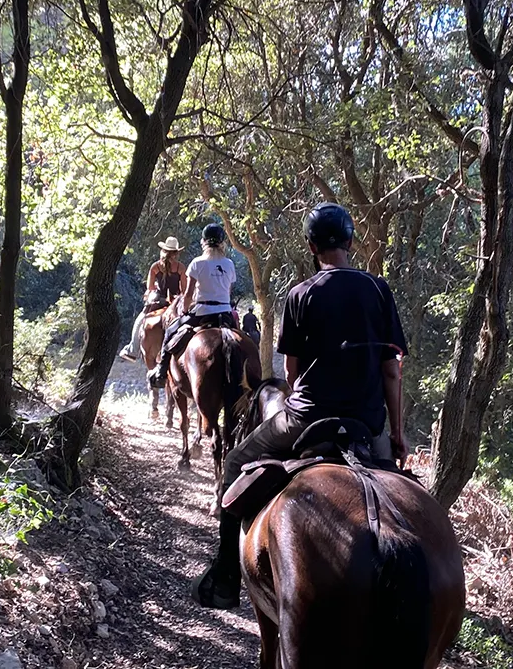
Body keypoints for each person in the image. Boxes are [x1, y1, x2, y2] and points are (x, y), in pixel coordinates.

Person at [191, 202, 408, 610]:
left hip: (306, 417)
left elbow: (291, 373)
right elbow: (392, 373)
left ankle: (225, 576)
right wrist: (395, 435)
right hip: (367, 423)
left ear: (311, 246)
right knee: (401, 497)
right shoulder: (379, 290)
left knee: (236, 460)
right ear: (350, 242)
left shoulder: (301, 294)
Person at [148, 224, 236, 387]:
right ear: (222, 242)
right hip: (225, 313)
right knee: (241, 337)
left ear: (203, 242)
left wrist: (185, 310)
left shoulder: (197, 263)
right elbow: (228, 292)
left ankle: (161, 371)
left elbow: (188, 295)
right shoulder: (229, 264)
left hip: (203, 311)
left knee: (170, 331)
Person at [119, 236, 186, 363]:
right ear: (176, 253)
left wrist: (155, 287)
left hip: (159, 299)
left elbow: (150, 287)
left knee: (141, 319)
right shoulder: (180, 267)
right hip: (175, 302)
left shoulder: (155, 266)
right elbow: (183, 289)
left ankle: (132, 349)